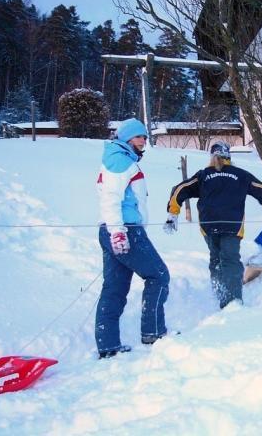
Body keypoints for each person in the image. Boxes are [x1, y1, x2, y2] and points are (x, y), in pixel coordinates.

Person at [164, 141, 262, 309]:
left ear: (212, 156)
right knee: (230, 260)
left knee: (216, 258)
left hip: (209, 225)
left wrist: (173, 213)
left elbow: (180, 189)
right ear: (228, 156)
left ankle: (220, 293)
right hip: (232, 225)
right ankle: (232, 301)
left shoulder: (203, 175)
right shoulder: (240, 175)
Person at [95, 118, 170, 359]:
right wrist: (118, 231)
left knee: (114, 288)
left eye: (145, 137)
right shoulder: (120, 160)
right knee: (158, 275)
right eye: (139, 137)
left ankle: (108, 345)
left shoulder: (120, 158)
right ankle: (154, 332)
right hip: (124, 230)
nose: (144, 141)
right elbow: (110, 198)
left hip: (115, 229)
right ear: (127, 138)